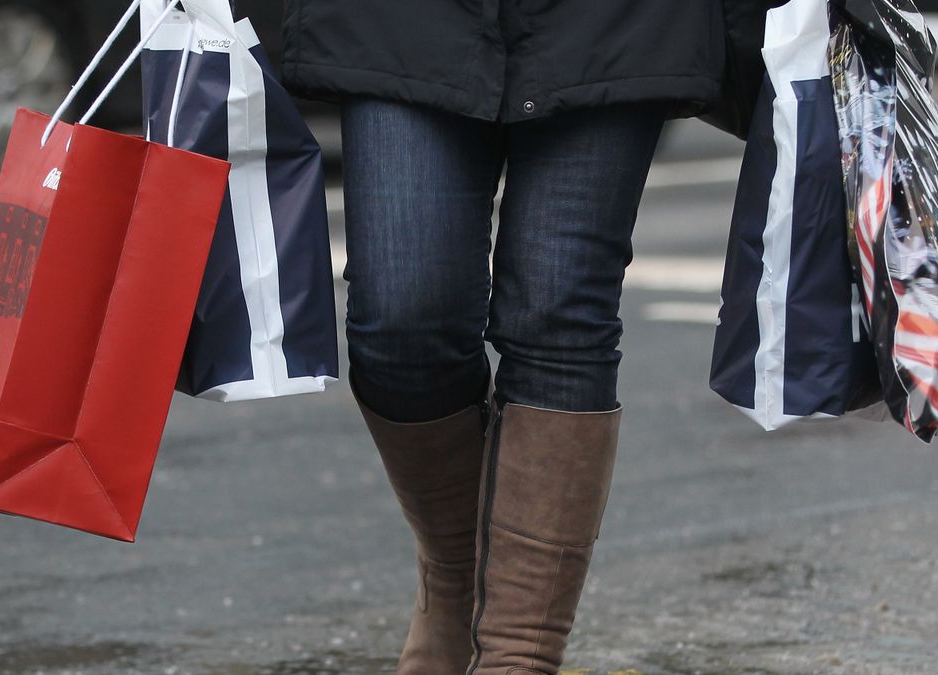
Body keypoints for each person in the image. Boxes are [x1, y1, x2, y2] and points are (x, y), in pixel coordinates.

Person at [278, 2, 724, 673]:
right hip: (406, 19)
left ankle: (519, 649)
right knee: (403, 317)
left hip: (614, 20)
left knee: (560, 304)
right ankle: (459, 578)